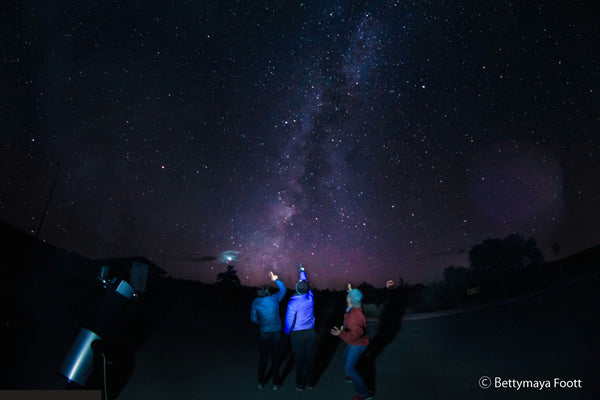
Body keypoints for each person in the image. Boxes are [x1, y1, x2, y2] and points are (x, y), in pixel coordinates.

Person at [330, 284, 374, 400]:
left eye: (348, 296)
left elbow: (353, 336)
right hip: (356, 343)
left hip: (358, 344)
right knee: (345, 357)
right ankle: (353, 375)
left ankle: (365, 394)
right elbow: (354, 299)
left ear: (350, 299)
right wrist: (352, 291)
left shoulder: (355, 316)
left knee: (349, 368)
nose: (347, 297)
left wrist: (340, 333)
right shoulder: (356, 306)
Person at [250, 271, 287, 390]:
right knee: (275, 358)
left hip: (264, 332)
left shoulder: (255, 302)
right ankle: (275, 384)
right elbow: (283, 290)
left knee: (263, 358)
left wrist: (263, 324)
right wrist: (276, 280)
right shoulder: (274, 298)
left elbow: (253, 318)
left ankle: (260, 382)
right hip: (276, 332)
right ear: (267, 292)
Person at [284, 263, 316, 391]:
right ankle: (310, 383)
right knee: (310, 358)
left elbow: (289, 320)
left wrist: (287, 331)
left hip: (297, 334)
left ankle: (300, 384)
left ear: (296, 289)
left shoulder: (293, 303)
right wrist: (302, 272)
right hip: (311, 332)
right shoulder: (310, 298)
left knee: (299, 359)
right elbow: (306, 282)